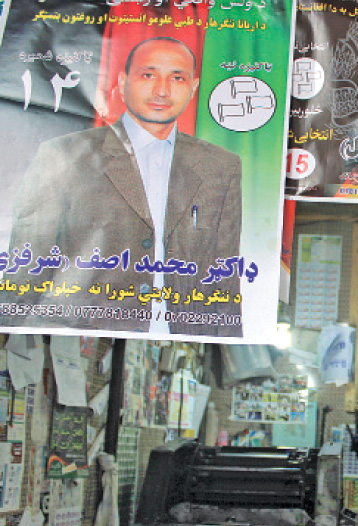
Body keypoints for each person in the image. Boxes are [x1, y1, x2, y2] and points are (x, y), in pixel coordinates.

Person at [3, 37, 242, 336]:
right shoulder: (65, 155)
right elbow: (26, 266)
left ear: (193, 88)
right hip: (75, 333)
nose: (162, 90)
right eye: (148, 75)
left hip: (182, 336)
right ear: (123, 81)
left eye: (177, 78)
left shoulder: (221, 165)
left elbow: (226, 276)